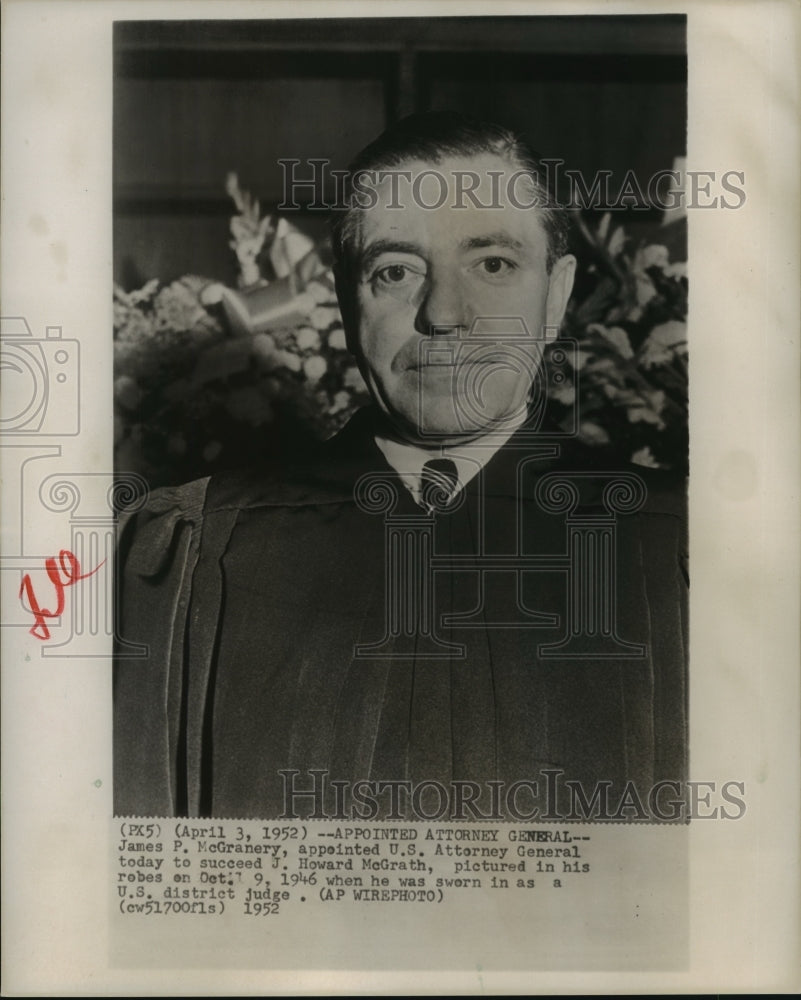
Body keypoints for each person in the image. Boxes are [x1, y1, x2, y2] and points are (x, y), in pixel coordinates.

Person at [114, 112, 687, 822]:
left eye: (493, 265)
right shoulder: (196, 554)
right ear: (347, 299)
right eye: (394, 271)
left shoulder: (677, 551)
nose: (444, 314)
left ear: (557, 294)